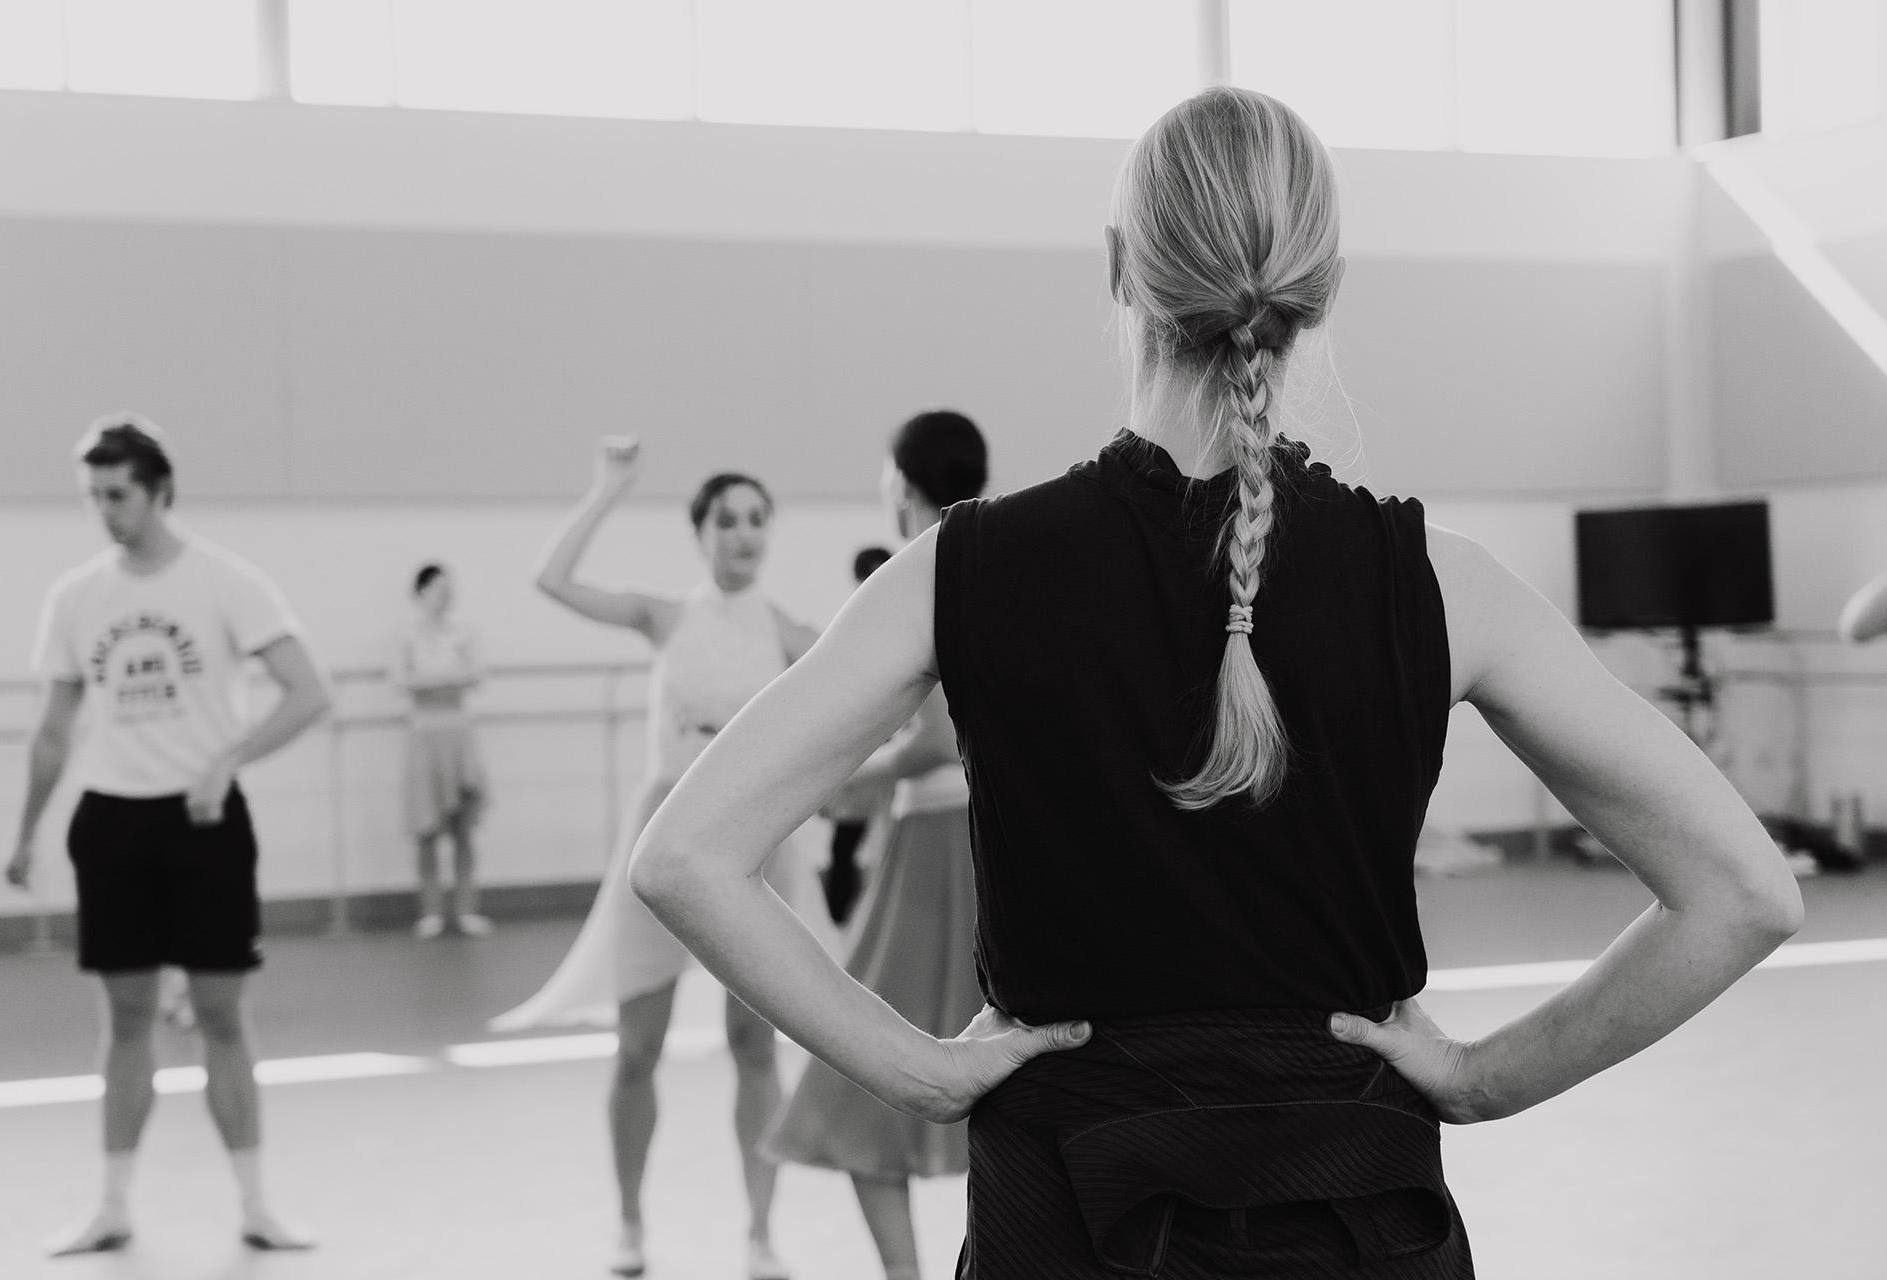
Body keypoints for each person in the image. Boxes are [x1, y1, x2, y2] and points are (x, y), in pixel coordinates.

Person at [623, 87, 1804, 1278]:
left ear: (1119, 269)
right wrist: (1483, 1076)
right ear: (1321, 289)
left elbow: (686, 857)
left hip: (1067, 1221)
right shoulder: (1446, 584)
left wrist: (918, 1071)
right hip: (1366, 1224)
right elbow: (1745, 890)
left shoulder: (960, 572)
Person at [492, 435, 820, 1280]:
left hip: (755, 845)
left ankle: (760, 1233)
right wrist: (607, 488)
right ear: (700, 533)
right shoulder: (666, 617)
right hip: (666, 835)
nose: (743, 534)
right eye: (726, 520)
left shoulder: (789, 632)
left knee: (755, 1046)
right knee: (637, 1045)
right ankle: (630, 1222)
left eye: (756, 519)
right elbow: (552, 579)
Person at [3, 414, 331, 1256]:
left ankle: (256, 1205)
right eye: (93, 496)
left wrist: (229, 758)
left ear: (159, 492)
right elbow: (53, 731)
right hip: (112, 820)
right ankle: (111, 1205)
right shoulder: (76, 597)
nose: (105, 511)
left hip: (203, 821)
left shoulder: (226, 582)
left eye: (118, 495)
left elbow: (307, 691)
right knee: (125, 1016)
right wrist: (26, 831)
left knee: (221, 1013)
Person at [764, 412, 987, 1280]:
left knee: (858, 1079)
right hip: (991, 842)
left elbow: (933, 738)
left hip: (939, 850)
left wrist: (859, 777)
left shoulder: (919, 570)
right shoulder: (1001, 558)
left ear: (903, 483)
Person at [395, 562, 492, 939]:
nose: (446, 596)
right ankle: (431, 910)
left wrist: (430, 681)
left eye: (449, 589)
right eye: (438, 589)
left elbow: (476, 675)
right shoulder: (407, 635)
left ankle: (466, 909)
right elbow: (400, 679)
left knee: (463, 827)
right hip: (424, 734)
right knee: (426, 827)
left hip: (458, 732)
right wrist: (447, 679)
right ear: (421, 592)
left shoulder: (463, 632)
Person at [818, 544, 894, 925]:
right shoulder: (851, 630)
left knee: (885, 847)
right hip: (863, 755)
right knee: (845, 847)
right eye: (868, 576)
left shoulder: (900, 627)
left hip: (891, 758)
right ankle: (838, 921)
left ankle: (869, 921)